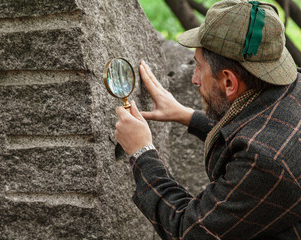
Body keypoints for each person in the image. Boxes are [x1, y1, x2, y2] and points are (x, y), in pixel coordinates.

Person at [115, 0, 301, 239]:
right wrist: (188, 116)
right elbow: (261, 127)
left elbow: (189, 230)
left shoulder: (266, 163)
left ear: (229, 82)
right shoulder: (291, 86)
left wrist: (142, 153)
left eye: (198, 67)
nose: (194, 79)